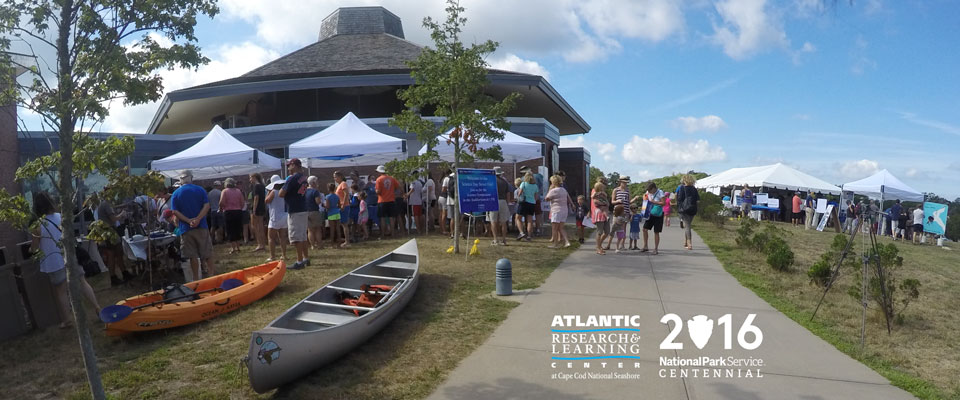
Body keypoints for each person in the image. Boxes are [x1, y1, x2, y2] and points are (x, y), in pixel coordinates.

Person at [31, 192, 102, 329]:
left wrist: (32, 248)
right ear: (51, 202)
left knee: (61, 291)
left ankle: (67, 320)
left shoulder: (38, 225)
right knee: (82, 282)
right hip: (70, 256)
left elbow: (34, 249)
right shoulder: (62, 217)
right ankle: (97, 307)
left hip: (54, 261)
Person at [170, 170, 215, 280]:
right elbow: (207, 206)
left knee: (192, 256)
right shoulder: (200, 190)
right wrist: (198, 219)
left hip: (186, 228)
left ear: (180, 180)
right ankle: (212, 276)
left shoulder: (176, 193)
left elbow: (175, 212)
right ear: (191, 178)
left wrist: (188, 220)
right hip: (202, 226)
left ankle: (196, 279)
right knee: (207, 253)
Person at [280, 158, 310, 269]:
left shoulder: (292, 178)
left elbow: (281, 193)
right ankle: (306, 258)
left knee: (297, 237)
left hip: (295, 209)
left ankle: (299, 261)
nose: (288, 168)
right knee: (303, 236)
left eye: (289, 165)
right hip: (302, 207)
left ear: (294, 165)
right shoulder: (304, 178)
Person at [96, 192, 131, 286]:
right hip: (109, 232)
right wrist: (122, 214)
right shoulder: (106, 204)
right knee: (112, 255)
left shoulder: (104, 204)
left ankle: (124, 273)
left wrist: (122, 206)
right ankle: (114, 278)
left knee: (118, 253)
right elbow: (113, 219)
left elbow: (113, 208)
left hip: (108, 231)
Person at [265, 175, 288, 262]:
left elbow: (267, 201)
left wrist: (268, 192)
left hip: (275, 216)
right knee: (282, 237)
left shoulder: (273, 192)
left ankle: (272, 256)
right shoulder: (284, 191)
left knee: (271, 237)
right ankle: (284, 255)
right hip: (284, 215)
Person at [219, 178, 245, 255]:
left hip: (228, 212)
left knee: (230, 229)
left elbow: (222, 202)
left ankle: (233, 248)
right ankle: (238, 247)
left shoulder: (225, 191)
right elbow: (242, 202)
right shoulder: (238, 191)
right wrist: (239, 207)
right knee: (237, 229)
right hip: (238, 211)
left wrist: (221, 208)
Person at [488, 166, 513, 246]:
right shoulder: (505, 182)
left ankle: (495, 240)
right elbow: (508, 193)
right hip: (503, 201)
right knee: (503, 222)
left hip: (493, 201)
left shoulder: (491, 181)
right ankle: (504, 239)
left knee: (493, 221)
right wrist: (508, 202)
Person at [545, 174, 571, 248]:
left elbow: (546, 198)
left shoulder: (553, 190)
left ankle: (555, 244)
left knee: (554, 228)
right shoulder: (564, 190)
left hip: (556, 210)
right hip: (564, 210)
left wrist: (550, 189)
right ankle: (567, 241)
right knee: (561, 227)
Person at [676, 174, 700, 250]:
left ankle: (689, 243)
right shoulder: (694, 189)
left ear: (684, 180)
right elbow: (698, 200)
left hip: (684, 210)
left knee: (687, 226)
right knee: (688, 225)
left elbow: (679, 199)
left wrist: (679, 208)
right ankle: (686, 241)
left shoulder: (682, 188)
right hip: (693, 209)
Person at [375, 165, 400, 238]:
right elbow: (397, 187)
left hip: (382, 201)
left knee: (382, 218)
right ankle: (393, 234)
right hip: (391, 200)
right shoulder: (392, 178)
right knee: (391, 218)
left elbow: (378, 191)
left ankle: (383, 234)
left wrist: (376, 192)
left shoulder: (379, 179)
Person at [641, 182, 665, 255]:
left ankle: (656, 248)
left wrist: (654, 202)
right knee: (645, 229)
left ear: (654, 188)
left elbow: (663, 203)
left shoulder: (660, 192)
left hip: (658, 214)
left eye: (650, 190)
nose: (649, 191)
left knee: (656, 231)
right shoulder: (648, 192)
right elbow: (645, 198)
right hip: (650, 213)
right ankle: (645, 246)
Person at [517, 172, 538, 242]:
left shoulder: (523, 184)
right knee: (530, 220)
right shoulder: (535, 186)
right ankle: (529, 235)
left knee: (518, 218)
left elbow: (519, 193)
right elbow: (536, 196)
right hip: (532, 203)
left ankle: (521, 232)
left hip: (524, 202)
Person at [249, 173, 267, 252]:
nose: (250, 179)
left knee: (256, 227)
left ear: (254, 177)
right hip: (262, 207)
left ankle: (260, 244)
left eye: (250, 178)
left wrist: (254, 209)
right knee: (261, 226)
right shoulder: (262, 186)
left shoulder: (256, 186)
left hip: (257, 208)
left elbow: (256, 198)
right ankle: (262, 244)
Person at [305, 176, 325, 250]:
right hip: (314, 211)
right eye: (316, 181)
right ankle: (319, 245)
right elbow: (318, 202)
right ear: (313, 182)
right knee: (317, 229)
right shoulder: (315, 191)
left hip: (306, 211)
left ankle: (312, 245)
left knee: (310, 230)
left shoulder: (304, 191)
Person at [591, 181, 610, 255]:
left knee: (607, 231)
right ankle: (598, 248)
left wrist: (605, 203)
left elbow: (608, 203)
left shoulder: (604, 194)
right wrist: (603, 204)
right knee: (599, 232)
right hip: (599, 213)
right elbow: (595, 202)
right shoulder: (595, 193)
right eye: (602, 187)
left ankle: (599, 244)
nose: (604, 188)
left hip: (605, 213)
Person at [334, 171, 352, 247]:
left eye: (335, 177)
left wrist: (343, 205)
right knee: (342, 224)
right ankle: (345, 239)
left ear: (340, 176)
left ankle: (347, 241)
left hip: (344, 206)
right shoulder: (339, 185)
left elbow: (346, 194)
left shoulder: (343, 184)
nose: (334, 179)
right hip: (340, 206)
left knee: (345, 224)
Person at [325, 183, 343, 247]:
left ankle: (332, 243)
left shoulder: (327, 197)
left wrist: (323, 206)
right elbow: (339, 205)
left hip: (331, 213)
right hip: (337, 213)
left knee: (332, 229)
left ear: (328, 189)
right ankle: (339, 243)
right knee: (338, 229)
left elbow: (328, 206)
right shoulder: (337, 196)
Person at [439, 170, 451, 235]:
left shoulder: (442, 179)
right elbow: (443, 189)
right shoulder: (447, 179)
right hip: (444, 198)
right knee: (444, 214)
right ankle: (444, 230)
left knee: (441, 214)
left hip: (440, 197)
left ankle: (441, 229)